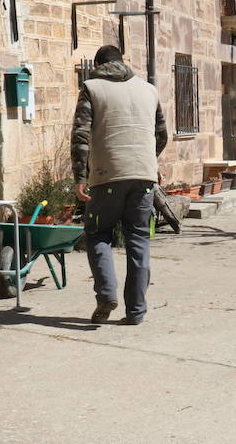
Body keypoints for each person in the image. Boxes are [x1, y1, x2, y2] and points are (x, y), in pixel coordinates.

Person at [71, 45, 167, 325]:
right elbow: (161, 135)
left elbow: (80, 136)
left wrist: (80, 178)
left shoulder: (91, 87)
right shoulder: (149, 90)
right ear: (122, 61)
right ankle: (136, 311)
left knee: (98, 234)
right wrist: (147, 162)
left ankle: (106, 295)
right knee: (138, 240)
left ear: (98, 63)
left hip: (106, 176)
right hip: (144, 176)